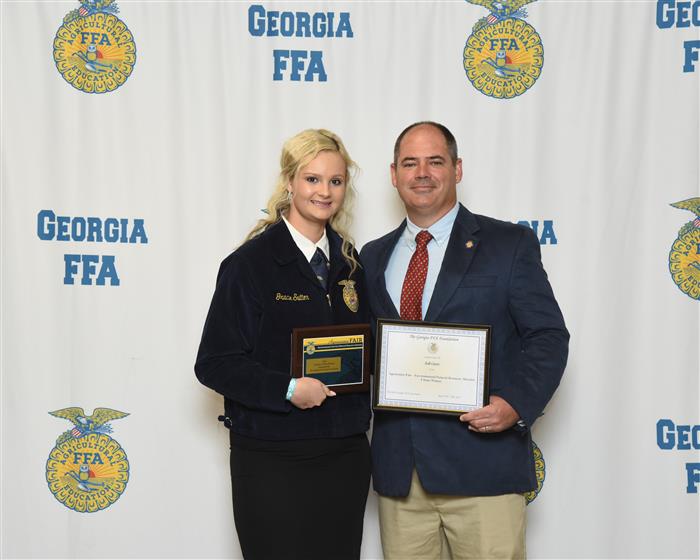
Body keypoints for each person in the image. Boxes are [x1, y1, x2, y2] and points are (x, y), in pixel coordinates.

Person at [360, 121, 569, 559]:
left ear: (457, 169)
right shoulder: (372, 256)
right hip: (402, 477)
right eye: (410, 163)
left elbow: (548, 335)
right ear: (393, 174)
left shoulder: (508, 243)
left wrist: (515, 403)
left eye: (435, 161)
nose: (422, 173)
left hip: (483, 468)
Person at [195, 129, 371, 560]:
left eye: (335, 181)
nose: (324, 191)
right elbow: (215, 362)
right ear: (290, 182)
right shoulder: (249, 264)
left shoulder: (351, 262)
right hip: (273, 456)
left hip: (345, 452)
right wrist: (288, 388)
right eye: (313, 179)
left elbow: (366, 351)